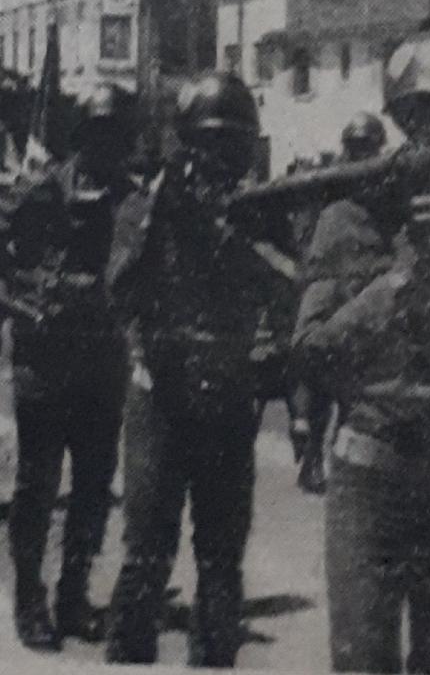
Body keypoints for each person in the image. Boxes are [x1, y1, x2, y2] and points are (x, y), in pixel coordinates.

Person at [292, 16, 430, 675]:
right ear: (405, 124)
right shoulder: (349, 219)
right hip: (373, 486)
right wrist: (397, 282)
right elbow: (309, 350)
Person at [105, 72, 296, 667]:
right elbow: (121, 292)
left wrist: (237, 237)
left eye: (231, 148)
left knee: (220, 562)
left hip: (227, 404)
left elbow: (291, 290)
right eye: (207, 147)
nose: (218, 162)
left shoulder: (260, 214)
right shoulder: (147, 206)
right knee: (145, 558)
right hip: (160, 401)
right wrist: (160, 212)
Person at [2, 82, 136, 650]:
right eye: (98, 134)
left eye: (117, 137)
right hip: (45, 361)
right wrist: (22, 300)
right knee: (36, 487)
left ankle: (74, 596)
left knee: (91, 487)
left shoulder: (132, 198)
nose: (107, 147)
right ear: (81, 137)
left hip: (101, 363)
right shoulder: (42, 193)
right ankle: (29, 603)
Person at [288, 111, 388, 494]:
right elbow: (313, 250)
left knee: (356, 397)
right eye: (358, 148)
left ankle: (345, 465)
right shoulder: (331, 199)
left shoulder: (384, 195)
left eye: (370, 148)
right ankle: (311, 456)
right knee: (315, 376)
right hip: (330, 292)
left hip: (366, 300)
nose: (364, 156)